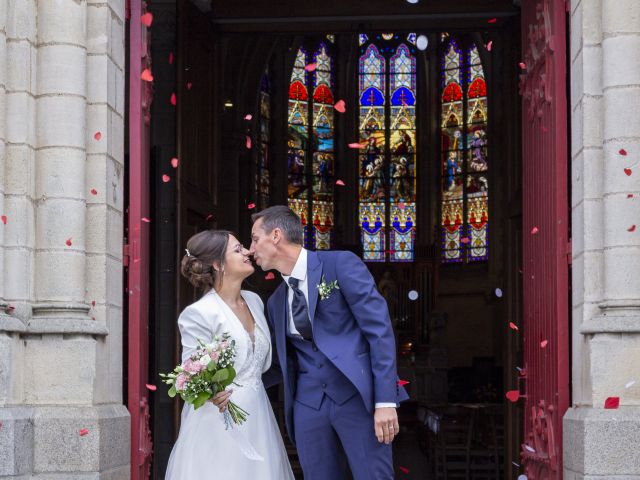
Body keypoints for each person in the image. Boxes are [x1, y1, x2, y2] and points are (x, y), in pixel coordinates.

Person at [245, 205, 408, 480]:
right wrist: (232, 384)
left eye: (254, 238)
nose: (251, 249)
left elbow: (378, 331)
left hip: (358, 399)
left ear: (276, 235)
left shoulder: (340, 264)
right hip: (307, 408)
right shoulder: (274, 303)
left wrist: (385, 401)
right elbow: (276, 364)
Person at [165, 229, 294, 479]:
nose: (248, 252)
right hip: (219, 421)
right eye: (238, 250)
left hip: (259, 416)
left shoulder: (255, 301)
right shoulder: (200, 314)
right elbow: (189, 376)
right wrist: (211, 392)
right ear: (217, 264)